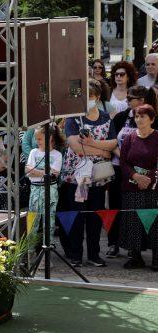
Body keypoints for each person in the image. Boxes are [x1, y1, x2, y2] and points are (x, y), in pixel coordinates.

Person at [60, 81, 116, 268]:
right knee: (76, 215)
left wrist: (91, 143)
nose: (87, 100)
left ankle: (94, 254)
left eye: (91, 96)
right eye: (84, 96)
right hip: (76, 177)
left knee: (95, 215)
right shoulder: (72, 118)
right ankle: (75, 254)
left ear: (98, 97)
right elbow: (76, 147)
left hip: (98, 176)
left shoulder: (107, 118)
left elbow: (113, 144)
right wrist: (102, 151)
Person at [114, 104, 158, 269]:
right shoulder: (130, 138)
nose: (139, 119)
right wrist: (135, 176)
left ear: (152, 119)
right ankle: (136, 256)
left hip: (154, 188)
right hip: (132, 187)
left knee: (154, 222)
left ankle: (156, 258)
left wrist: (147, 179)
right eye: (137, 117)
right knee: (133, 221)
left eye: (143, 116)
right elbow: (124, 162)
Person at [25, 124, 64, 239]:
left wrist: (36, 171)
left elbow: (54, 175)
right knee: (33, 220)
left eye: (40, 139)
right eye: (36, 139)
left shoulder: (57, 155)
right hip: (35, 189)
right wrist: (46, 172)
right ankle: (30, 249)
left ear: (50, 137)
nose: (37, 142)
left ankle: (48, 247)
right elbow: (28, 172)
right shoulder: (33, 152)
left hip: (50, 190)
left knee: (49, 219)